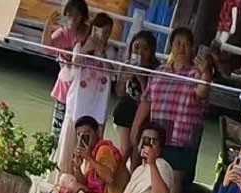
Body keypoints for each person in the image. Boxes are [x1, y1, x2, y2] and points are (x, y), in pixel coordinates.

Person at [131, 26, 213, 193]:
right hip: (158, 135)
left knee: (175, 179)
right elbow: (146, 101)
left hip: (182, 136)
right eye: (178, 43)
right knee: (151, 173)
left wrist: (207, 73)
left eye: (186, 44)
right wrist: (136, 127)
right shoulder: (159, 71)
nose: (182, 48)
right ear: (171, 47)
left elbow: (202, 92)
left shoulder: (197, 74)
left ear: (192, 48)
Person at [55, 12, 115, 177]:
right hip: (78, 104)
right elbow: (74, 66)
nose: (105, 36)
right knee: (70, 144)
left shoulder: (110, 51)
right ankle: (64, 175)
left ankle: (88, 178)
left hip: (98, 106)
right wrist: (87, 48)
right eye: (102, 31)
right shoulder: (80, 46)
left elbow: (112, 74)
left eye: (108, 32)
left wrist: (101, 53)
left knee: (93, 146)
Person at [43, 0, 90, 141]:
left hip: (82, 88)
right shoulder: (62, 32)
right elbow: (47, 48)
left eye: (77, 16)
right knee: (57, 129)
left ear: (83, 17)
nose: (73, 19)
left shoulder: (88, 33)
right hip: (65, 86)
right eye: (69, 15)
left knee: (78, 128)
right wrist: (48, 25)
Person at [113, 30, 158, 162]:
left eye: (145, 48)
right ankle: (116, 173)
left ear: (151, 51)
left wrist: (140, 77)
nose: (140, 52)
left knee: (137, 154)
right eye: (136, 47)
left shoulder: (155, 70)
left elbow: (149, 97)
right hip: (126, 109)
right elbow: (119, 92)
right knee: (125, 149)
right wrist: (123, 79)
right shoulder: (126, 65)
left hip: (144, 114)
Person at [61, 116, 126, 193]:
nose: (83, 137)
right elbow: (85, 184)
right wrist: (77, 167)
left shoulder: (104, 149)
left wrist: (90, 158)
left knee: (72, 188)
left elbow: (109, 179)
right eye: (79, 134)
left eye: (86, 134)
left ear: (97, 132)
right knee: (65, 180)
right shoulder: (90, 151)